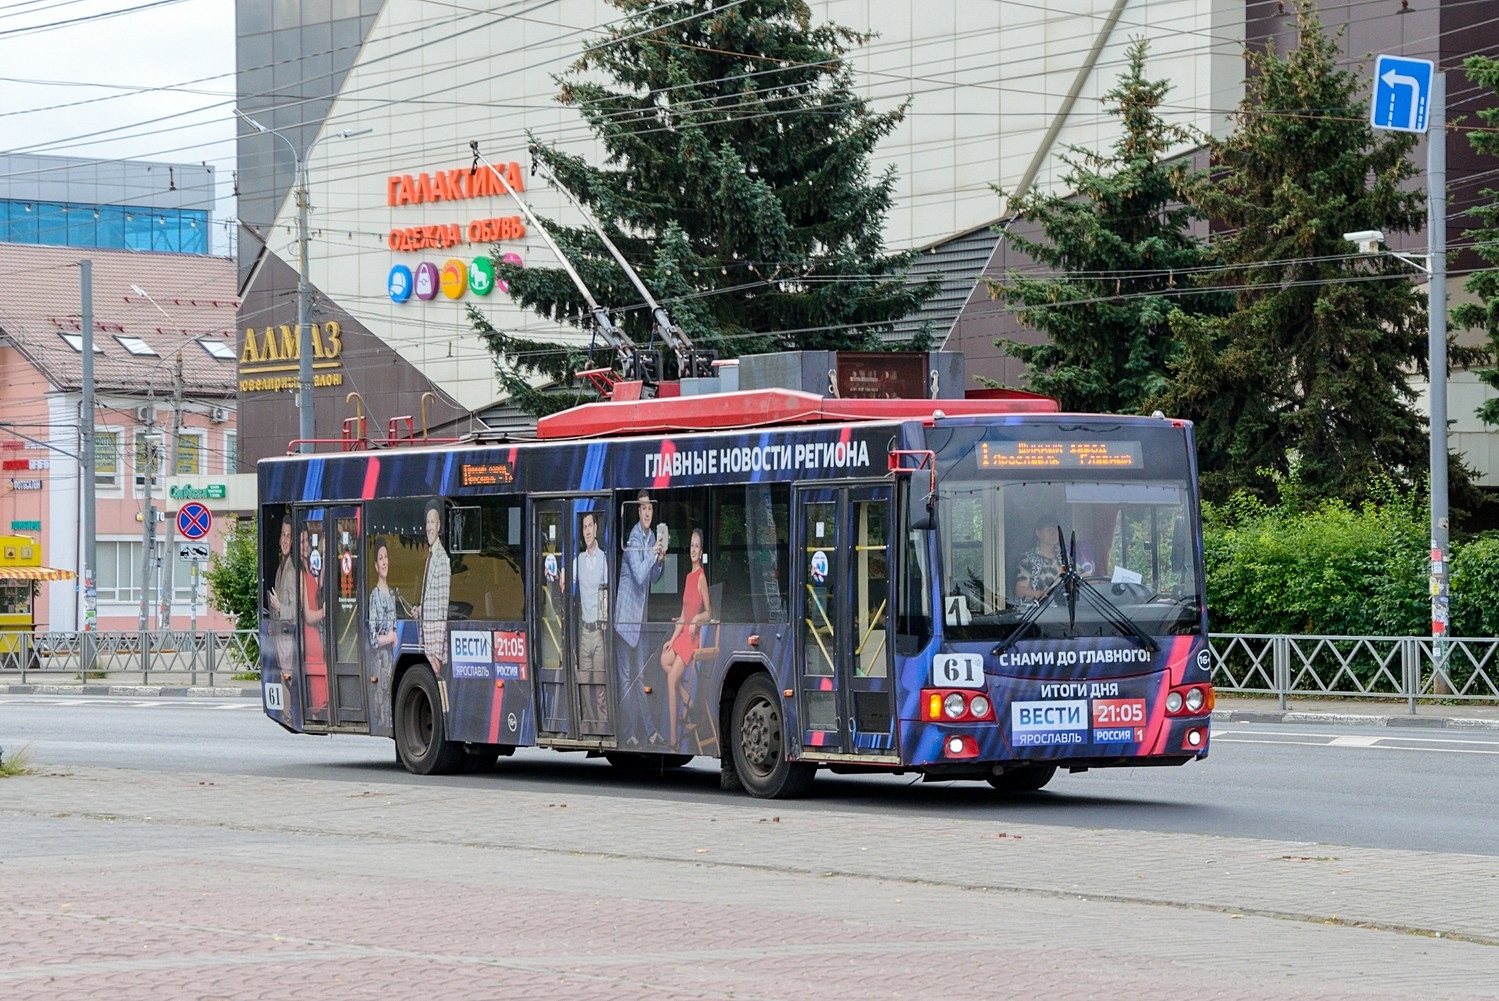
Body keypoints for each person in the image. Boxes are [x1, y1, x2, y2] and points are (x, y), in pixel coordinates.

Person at [615, 490, 665, 747]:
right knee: (626, 678)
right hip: (625, 621)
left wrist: (660, 560)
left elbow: (652, 578)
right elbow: (637, 574)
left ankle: (647, 731)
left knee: (641, 678)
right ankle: (629, 733)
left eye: (650, 509)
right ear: (638, 511)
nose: (647, 513)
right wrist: (651, 555)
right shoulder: (634, 539)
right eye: (644, 509)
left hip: (639, 622)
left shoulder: (652, 536)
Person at [660, 528, 710, 747]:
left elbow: (709, 613)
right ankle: (687, 699)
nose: (693, 549)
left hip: (693, 639)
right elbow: (682, 614)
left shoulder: (700, 578)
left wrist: (697, 619)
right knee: (664, 659)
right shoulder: (688, 577)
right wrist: (672, 638)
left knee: (671, 679)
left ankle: (672, 738)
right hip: (682, 636)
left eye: (697, 546)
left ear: (701, 552)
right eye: (691, 545)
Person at [573, 511, 609, 726]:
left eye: (590, 526)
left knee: (600, 685)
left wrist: (604, 620)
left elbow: (606, 592)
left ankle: (603, 725)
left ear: (596, 528)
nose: (587, 531)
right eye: (584, 527)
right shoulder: (579, 560)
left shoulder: (603, 559)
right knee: (584, 684)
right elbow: (569, 582)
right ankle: (588, 725)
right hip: (584, 633)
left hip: (598, 632)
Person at [411, 498, 451, 682]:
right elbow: (432, 600)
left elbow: (442, 609)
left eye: (432, 522)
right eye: (427, 522)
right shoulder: (430, 556)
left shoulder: (442, 559)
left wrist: (436, 655)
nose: (429, 527)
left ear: (439, 525)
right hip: (427, 642)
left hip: (434, 647)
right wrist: (420, 609)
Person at [368, 538, 399, 730]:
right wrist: (390, 637)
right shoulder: (374, 596)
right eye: (381, 558)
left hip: (392, 662)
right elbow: (372, 638)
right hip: (379, 663)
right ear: (376, 565)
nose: (385, 561)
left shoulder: (393, 594)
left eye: (386, 557)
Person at [299, 526, 328, 714]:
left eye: (307, 541)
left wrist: (325, 556)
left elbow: (319, 586)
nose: (305, 546)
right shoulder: (300, 574)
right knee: (318, 704)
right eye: (301, 542)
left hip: (315, 640)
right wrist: (326, 611)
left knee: (322, 699)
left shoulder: (308, 569)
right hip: (310, 639)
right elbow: (309, 615)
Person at [266, 516, 297, 677]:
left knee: (287, 687)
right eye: (283, 535)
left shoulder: (291, 571)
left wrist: (279, 607)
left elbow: (296, 611)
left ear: (292, 541)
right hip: (280, 641)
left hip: (288, 644)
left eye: (288, 536)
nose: (285, 540)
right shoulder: (281, 568)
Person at [1014, 517, 1064, 601]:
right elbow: (1020, 590)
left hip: (1064, 609)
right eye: (1049, 530)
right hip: (1037, 610)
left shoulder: (1064, 558)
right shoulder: (1028, 559)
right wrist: (1038, 594)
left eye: (1056, 530)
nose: (1053, 533)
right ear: (1038, 533)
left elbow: (1087, 580)